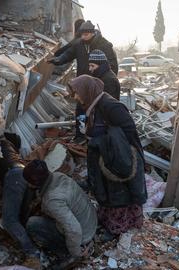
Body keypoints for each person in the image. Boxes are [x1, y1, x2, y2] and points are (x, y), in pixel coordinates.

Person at [68, 75, 147, 238]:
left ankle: (119, 228)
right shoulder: (94, 106)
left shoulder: (111, 107)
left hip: (119, 160)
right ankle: (109, 223)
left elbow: (129, 134)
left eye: (77, 93)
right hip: (107, 159)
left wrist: (125, 159)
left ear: (87, 90)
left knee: (120, 195)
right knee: (108, 193)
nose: (75, 97)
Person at [23, 160, 97, 267]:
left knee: (32, 224)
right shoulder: (58, 176)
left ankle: (65, 254)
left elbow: (74, 230)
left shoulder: (52, 200)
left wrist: (76, 253)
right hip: (90, 220)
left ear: (34, 183)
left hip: (84, 234)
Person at [0, 133, 41, 268]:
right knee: (22, 213)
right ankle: (30, 240)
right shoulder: (7, 143)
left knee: (9, 220)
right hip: (24, 171)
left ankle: (32, 253)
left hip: (15, 175)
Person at [48, 20, 118, 76]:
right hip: (82, 82)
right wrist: (58, 59)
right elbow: (68, 54)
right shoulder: (79, 44)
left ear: (93, 33)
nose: (83, 37)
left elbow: (112, 65)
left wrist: (98, 74)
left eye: (86, 35)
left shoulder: (104, 45)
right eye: (82, 35)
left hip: (97, 84)